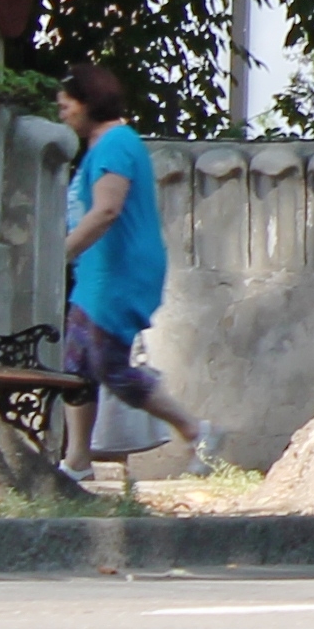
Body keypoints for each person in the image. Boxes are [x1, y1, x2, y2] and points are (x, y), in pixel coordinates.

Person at [53, 62, 219, 489]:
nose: (62, 113)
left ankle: (194, 430)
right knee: (77, 363)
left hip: (117, 275)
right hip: (98, 273)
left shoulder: (115, 145)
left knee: (108, 366)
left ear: (89, 103)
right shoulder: (104, 146)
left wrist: (60, 254)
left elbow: (107, 210)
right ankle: (77, 461)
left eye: (67, 104)